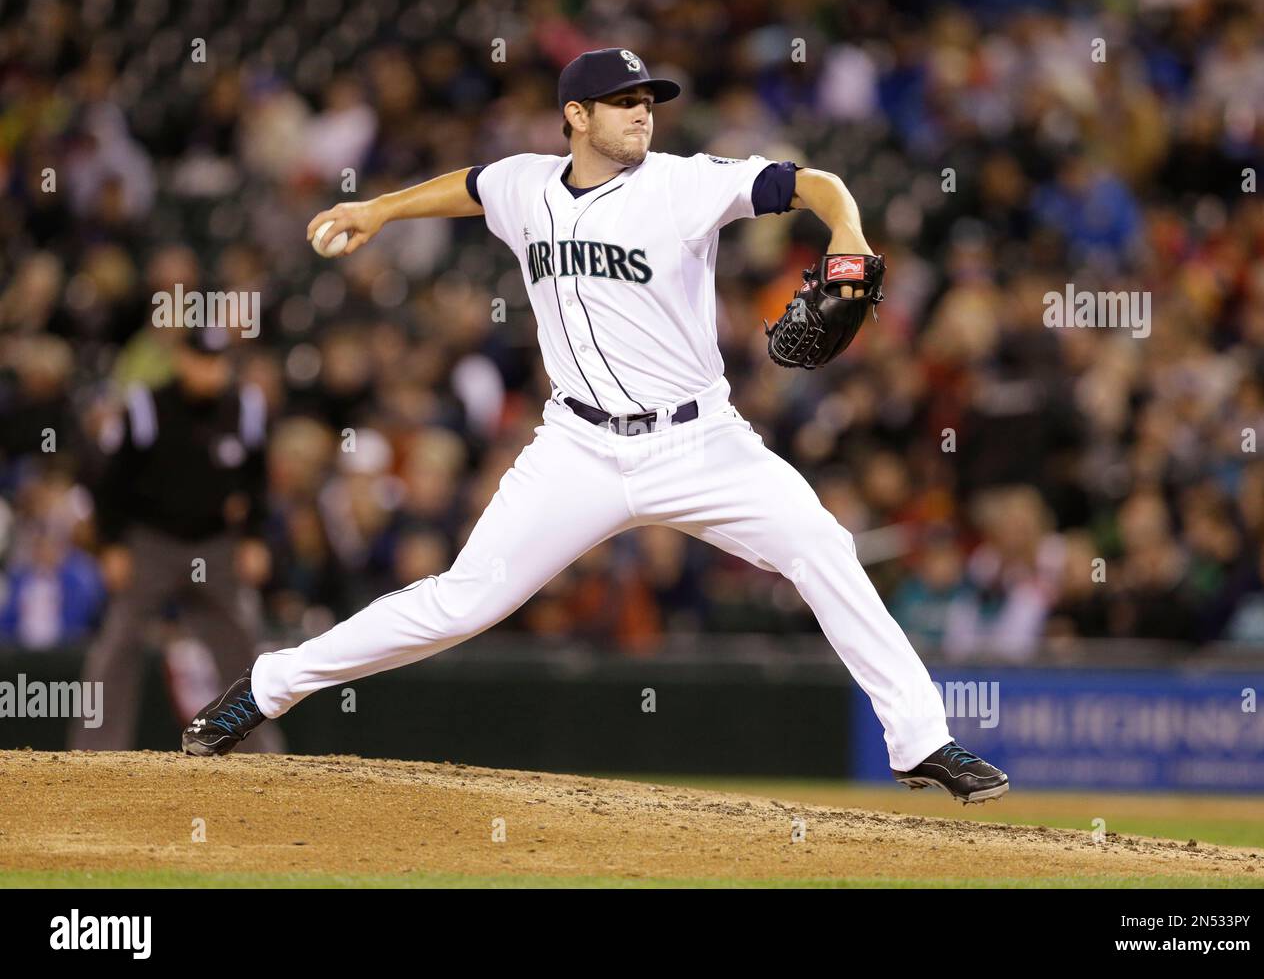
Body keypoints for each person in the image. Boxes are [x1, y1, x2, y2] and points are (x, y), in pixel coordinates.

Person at [183, 48, 1007, 803]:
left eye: (647, 100)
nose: (641, 113)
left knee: (821, 547)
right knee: (462, 602)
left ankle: (922, 740)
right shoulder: (524, 183)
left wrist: (851, 232)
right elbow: (471, 185)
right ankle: (266, 688)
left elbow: (811, 184)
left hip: (699, 441)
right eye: (621, 102)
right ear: (575, 116)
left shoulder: (683, 183)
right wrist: (382, 211)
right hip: (576, 446)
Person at [73, 325, 283, 751]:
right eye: (203, 360)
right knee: (117, 644)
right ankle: (95, 751)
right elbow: (110, 481)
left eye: (219, 361)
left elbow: (258, 483)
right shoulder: (146, 406)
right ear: (182, 359)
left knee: (241, 644)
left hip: (216, 545)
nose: (212, 371)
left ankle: (259, 754)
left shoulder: (244, 408)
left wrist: (254, 537)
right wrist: (112, 544)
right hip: (152, 544)